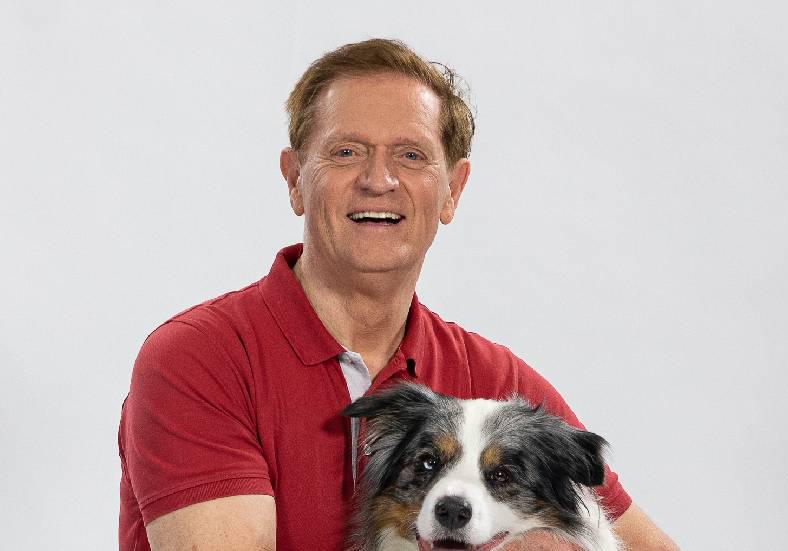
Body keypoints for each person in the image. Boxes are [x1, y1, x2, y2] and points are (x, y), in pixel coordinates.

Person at [118, 38, 679, 551]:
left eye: (410, 155)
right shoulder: (200, 358)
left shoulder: (497, 382)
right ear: (294, 179)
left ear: (452, 190)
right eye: (346, 152)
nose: (378, 180)